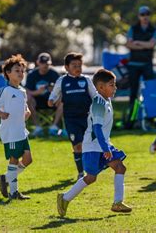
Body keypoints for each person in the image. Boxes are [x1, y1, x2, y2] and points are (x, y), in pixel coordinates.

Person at [57, 69, 131, 216]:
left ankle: (117, 203)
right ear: (101, 87)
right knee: (90, 178)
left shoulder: (106, 100)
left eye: (114, 84)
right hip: (93, 147)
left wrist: (106, 146)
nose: (115, 88)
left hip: (103, 145)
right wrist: (105, 148)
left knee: (120, 167)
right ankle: (64, 198)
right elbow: (97, 128)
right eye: (111, 85)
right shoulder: (98, 103)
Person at [48, 52, 97, 179]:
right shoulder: (62, 81)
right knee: (77, 145)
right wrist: (51, 100)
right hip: (71, 119)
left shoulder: (86, 80)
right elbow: (54, 94)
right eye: (74, 65)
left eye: (79, 65)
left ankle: (92, 168)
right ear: (66, 67)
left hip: (87, 117)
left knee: (89, 144)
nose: (77, 68)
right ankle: (81, 173)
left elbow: (95, 96)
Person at [0, 54, 32, 200]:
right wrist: (1, 113)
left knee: (28, 159)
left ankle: (5, 178)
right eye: (17, 70)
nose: (21, 73)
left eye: (22, 71)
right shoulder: (5, 90)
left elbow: (25, 108)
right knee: (14, 160)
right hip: (11, 132)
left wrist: (27, 112)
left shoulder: (22, 91)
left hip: (21, 130)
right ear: (8, 73)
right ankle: (14, 192)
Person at [125, 6, 156, 128]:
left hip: (147, 65)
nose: (145, 17)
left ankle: (152, 119)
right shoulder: (132, 29)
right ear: (139, 16)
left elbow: (152, 45)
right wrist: (145, 45)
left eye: (147, 14)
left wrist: (138, 43)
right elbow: (129, 44)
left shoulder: (154, 29)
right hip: (133, 65)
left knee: (151, 91)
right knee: (133, 94)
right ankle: (131, 120)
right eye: (142, 14)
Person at [25, 52, 63, 137]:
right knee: (28, 98)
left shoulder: (54, 74)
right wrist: (37, 92)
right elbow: (26, 91)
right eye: (42, 63)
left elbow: (62, 90)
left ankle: (54, 126)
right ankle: (37, 127)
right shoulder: (32, 75)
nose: (45, 65)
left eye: (47, 63)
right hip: (37, 101)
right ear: (38, 62)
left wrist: (54, 91)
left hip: (52, 100)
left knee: (63, 99)